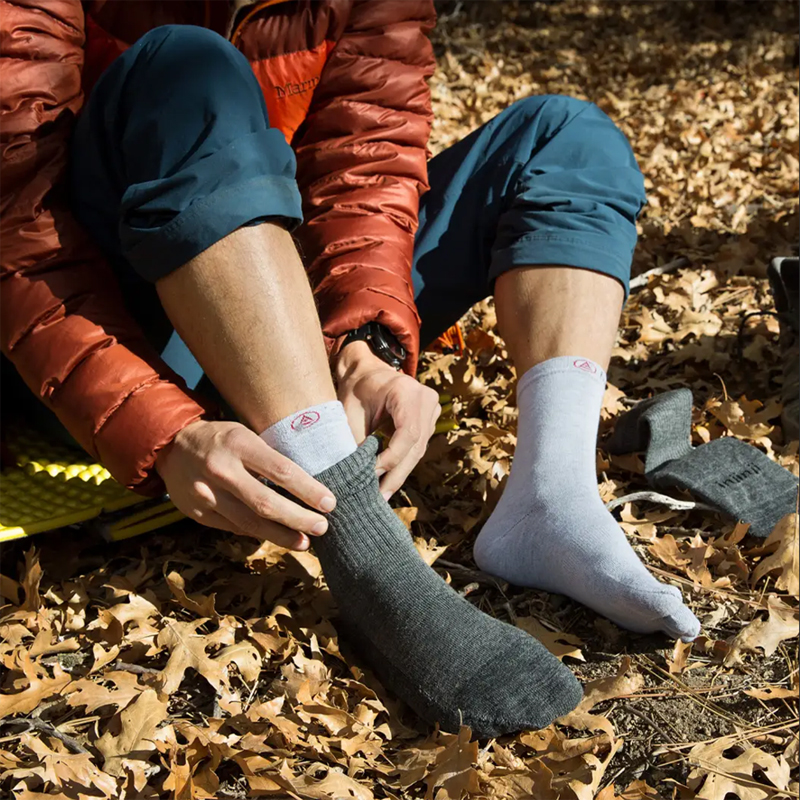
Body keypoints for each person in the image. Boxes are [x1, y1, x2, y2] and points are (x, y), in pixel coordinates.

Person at [1, 0, 699, 737]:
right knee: (185, 65)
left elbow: (365, 166)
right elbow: (18, 229)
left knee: (565, 138)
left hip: (284, 295)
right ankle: (360, 542)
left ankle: (550, 502)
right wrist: (162, 429)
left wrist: (364, 341)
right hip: (104, 319)